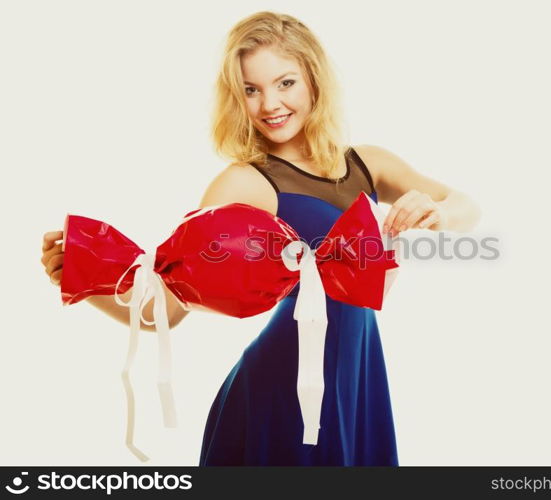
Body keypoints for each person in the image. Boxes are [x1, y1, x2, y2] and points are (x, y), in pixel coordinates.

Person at [40, 11, 481, 465]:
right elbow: (168, 309)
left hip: (357, 378)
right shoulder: (244, 183)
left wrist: (439, 212)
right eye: (251, 90)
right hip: (284, 391)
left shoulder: (370, 163)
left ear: (314, 79)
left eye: (285, 83)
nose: (270, 103)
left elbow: (466, 204)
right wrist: (84, 278)